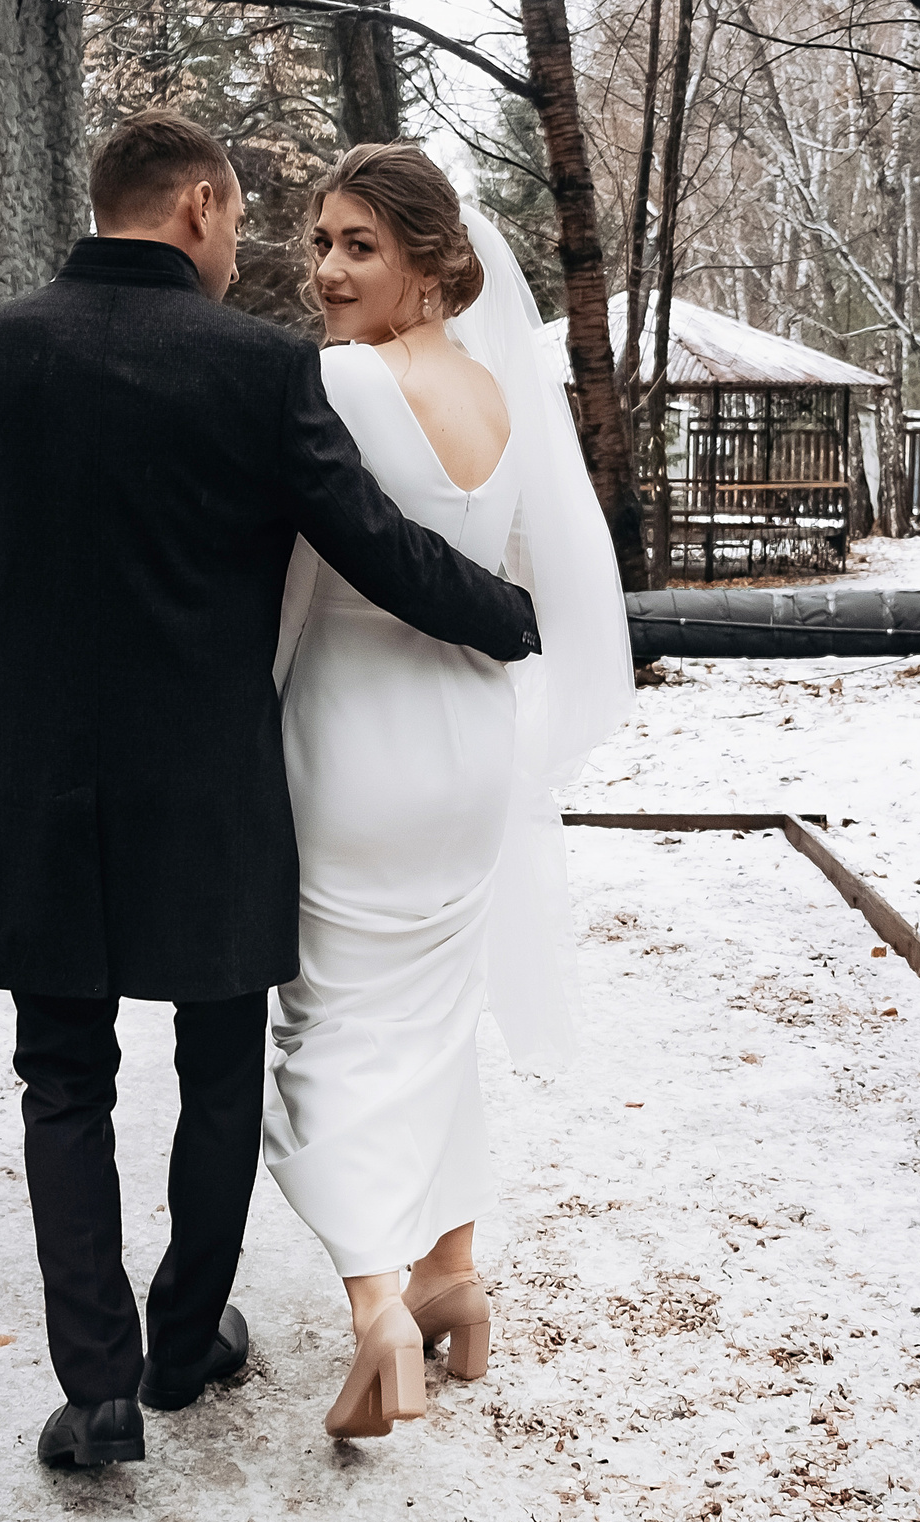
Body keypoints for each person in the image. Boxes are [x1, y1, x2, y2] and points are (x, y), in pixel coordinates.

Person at [0, 112, 542, 1471]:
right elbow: (375, 547)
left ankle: (100, 1386)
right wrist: (516, 618)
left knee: (60, 1077)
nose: (253, 253)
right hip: (216, 793)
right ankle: (187, 1338)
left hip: (38, 787)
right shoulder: (258, 369)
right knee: (220, 1058)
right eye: (246, 222)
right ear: (196, 204)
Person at [264, 145, 634, 1437]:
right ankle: (453, 1281)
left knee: (324, 1023)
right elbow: (526, 569)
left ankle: (376, 1310)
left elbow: (300, 582)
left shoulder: (342, 384)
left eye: (359, 245)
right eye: (320, 244)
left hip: (356, 738)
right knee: (435, 1017)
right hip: (476, 746)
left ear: (431, 260)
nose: (325, 271)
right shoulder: (503, 389)